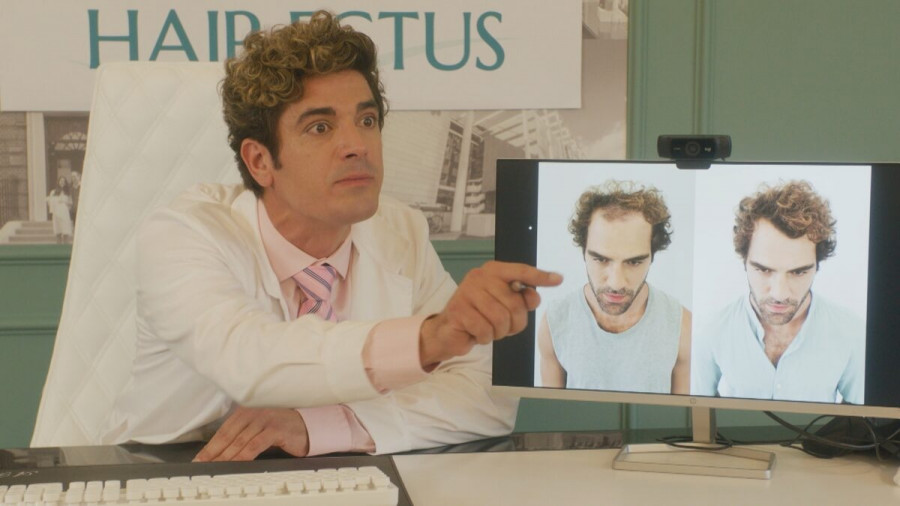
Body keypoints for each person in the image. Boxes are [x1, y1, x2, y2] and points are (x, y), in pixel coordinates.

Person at [102, 11, 561, 461]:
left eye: (367, 120)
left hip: (344, 470)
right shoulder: (185, 233)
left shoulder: (401, 230)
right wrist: (427, 340)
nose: (357, 145)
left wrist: (322, 427)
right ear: (260, 161)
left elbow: (483, 395)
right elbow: (248, 360)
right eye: (320, 127)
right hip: (172, 471)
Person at [691, 180, 864, 403]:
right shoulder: (709, 331)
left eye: (798, 272)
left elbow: (863, 418)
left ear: (817, 266)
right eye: (763, 270)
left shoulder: (852, 333)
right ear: (744, 261)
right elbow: (696, 412)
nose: (780, 294)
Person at [538, 181, 691, 394]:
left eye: (634, 262)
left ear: (652, 257)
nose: (616, 283)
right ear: (584, 253)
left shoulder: (682, 326)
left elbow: (683, 411)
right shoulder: (555, 321)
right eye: (601, 259)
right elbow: (553, 409)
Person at [46, 175, 73, 243]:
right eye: (61, 181)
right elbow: (49, 202)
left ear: (65, 183)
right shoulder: (53, 192)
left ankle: (66, 244)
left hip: (64, 212)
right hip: (56, 212)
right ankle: (58, 244)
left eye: (64, 181)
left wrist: (64, 202)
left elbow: (70, 203)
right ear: (58, 182)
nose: (62, 182)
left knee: (65, 229)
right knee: (58, 230)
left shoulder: (67, 192)